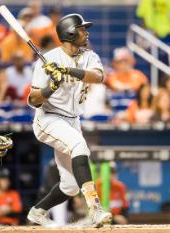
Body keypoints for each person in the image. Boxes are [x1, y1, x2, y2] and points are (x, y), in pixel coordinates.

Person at [27, 13, 112, 227]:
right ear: (70, 33)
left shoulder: (89, 56)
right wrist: (51, 86)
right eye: (82, 29)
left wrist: (67, 71)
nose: (86, 32)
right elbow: (34, 99)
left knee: (71, 186)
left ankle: (37, 212)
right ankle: (94, 209)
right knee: (79, 145)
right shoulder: (49, 59)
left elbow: (98, 77)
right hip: (49, 118)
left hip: (73, 119)